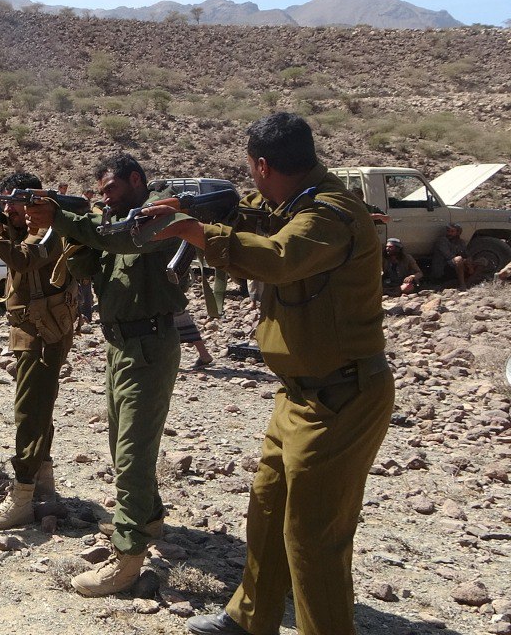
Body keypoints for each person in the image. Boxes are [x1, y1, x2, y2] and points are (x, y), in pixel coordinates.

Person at [143, 113, 393, 635]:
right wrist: (194, 207)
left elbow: (279, 256)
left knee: (314, 539)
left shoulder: (329, 214)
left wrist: (198, 232)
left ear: (262, 164)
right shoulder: (295, 202)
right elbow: (254, 213)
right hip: (299, 395)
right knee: (267, 510)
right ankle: (249, 618)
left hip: (340, 396)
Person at [24, 153, 185, 597]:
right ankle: (148, 517)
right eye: (101, 193)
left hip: (149, 344)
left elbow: (129, 243)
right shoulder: (114, 222)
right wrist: (75, 239)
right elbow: (91, 270)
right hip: (120, 344)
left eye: (112, 189)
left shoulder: (158, 212)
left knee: (132, 454)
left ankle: (127, 558)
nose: (106, 199)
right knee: (122, 445)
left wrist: (70, 221)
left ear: (136, 180)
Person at [0, 172, 75, 529]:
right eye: (5, 202)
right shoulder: (24, 228)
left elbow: (24, 259)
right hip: (31, 330)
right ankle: (45, 487)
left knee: (29, 411)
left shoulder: (48, 230)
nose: (10, 209)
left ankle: (22, 496)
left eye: (15, 202)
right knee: (39, 408)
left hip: (44, 332)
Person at [431, 223, 477, 288]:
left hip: (458, 267)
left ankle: (470, 282)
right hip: (444, 269)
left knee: (482, 261)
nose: (449, 233)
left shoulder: (461, 242)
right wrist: (464, 261)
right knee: (459, 259)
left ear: (458, 233)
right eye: (448, 231)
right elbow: (449, 256)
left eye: (452, 231)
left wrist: (469, 262)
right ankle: (462, 284)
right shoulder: (442, 241)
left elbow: (466, 254)